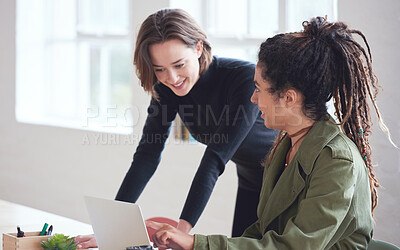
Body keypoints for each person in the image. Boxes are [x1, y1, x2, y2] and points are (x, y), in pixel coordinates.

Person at [145, 16, 395, 249]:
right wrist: (193, 242)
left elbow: (291, 246)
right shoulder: (285, 146)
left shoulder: (337, 161)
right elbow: (264, 232)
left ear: (288, 98)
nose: (254, 98)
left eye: (259, 89)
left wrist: (195, 243)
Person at [75, 8, 277, 249]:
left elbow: (214, 158)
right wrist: (111, 229)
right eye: (159, 69)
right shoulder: (167, 90)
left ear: (199, 48)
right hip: (251, 181)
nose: (171, 78)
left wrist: (182, 232)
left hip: (286, 180)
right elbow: (146, 156)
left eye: (179, 64)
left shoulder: (243, 79)